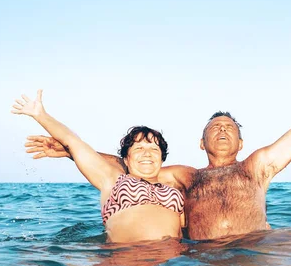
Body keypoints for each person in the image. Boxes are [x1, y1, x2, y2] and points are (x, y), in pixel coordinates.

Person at [24, 54, 291, 240]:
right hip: (199, 260)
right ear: (201, 142)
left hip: (255, 250)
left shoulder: (257, 166)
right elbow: (132, 168)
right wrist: (68, 150)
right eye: (214, 127)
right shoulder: (187, 176)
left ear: (240, 141)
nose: (221, 131)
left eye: (229, 127)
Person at [11, 90, 185, 243]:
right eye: (139, 148)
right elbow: (74, 142)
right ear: (126, 158)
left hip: (171, 264)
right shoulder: (112, 178)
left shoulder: (174, 191)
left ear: (162, 158)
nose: (147, 153)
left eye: (154, 149)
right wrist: (40, 115)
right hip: (129, 261)